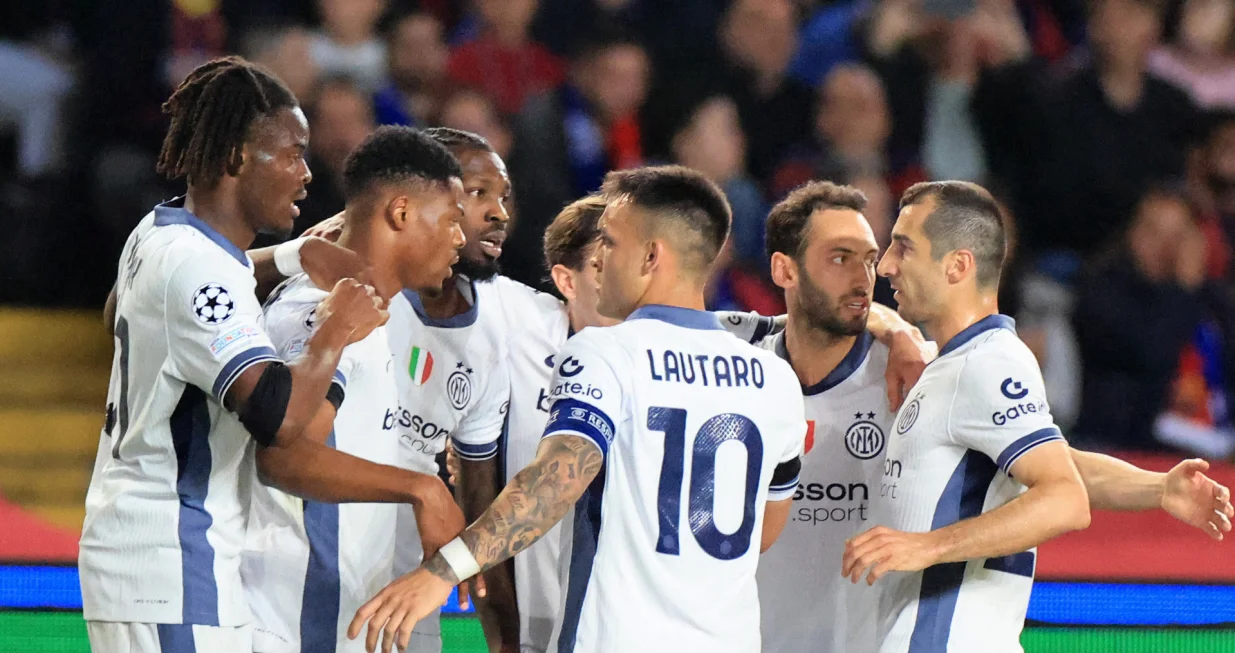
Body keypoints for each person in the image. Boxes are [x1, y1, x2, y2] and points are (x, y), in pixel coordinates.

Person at [79, 57, 461, 653]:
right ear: (235, 157)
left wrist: (290, 255)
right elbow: (278, 424)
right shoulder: (206, 269)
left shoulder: (160, 230)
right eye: (291, 154)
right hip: (170, 559)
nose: (306, 174)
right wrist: (334, 332)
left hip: (169, 556)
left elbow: (120, 309)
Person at [755, 181, 1235, 653]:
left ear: (958, 265)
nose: (886, 266)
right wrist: (1156, 488)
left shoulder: (988, 363)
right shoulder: (948, 364)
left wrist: (928, 547)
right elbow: (1062, 466)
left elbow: (1064, 499)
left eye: (903, 248)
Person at [349, 166, 809, 653]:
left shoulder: (606, 352)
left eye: (610, 243)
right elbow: (763, 532)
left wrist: (444, 572)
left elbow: (555, 480)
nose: (601, 258)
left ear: (652, 256)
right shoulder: (777, 379)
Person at [243, 126, 468, 653]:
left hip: (327, 617)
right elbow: (283, 456)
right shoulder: (327, 315)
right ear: (402, 212)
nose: (460, 238)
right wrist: (422, 488)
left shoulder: (363, 310)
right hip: (293, 621)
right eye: (452, 219)